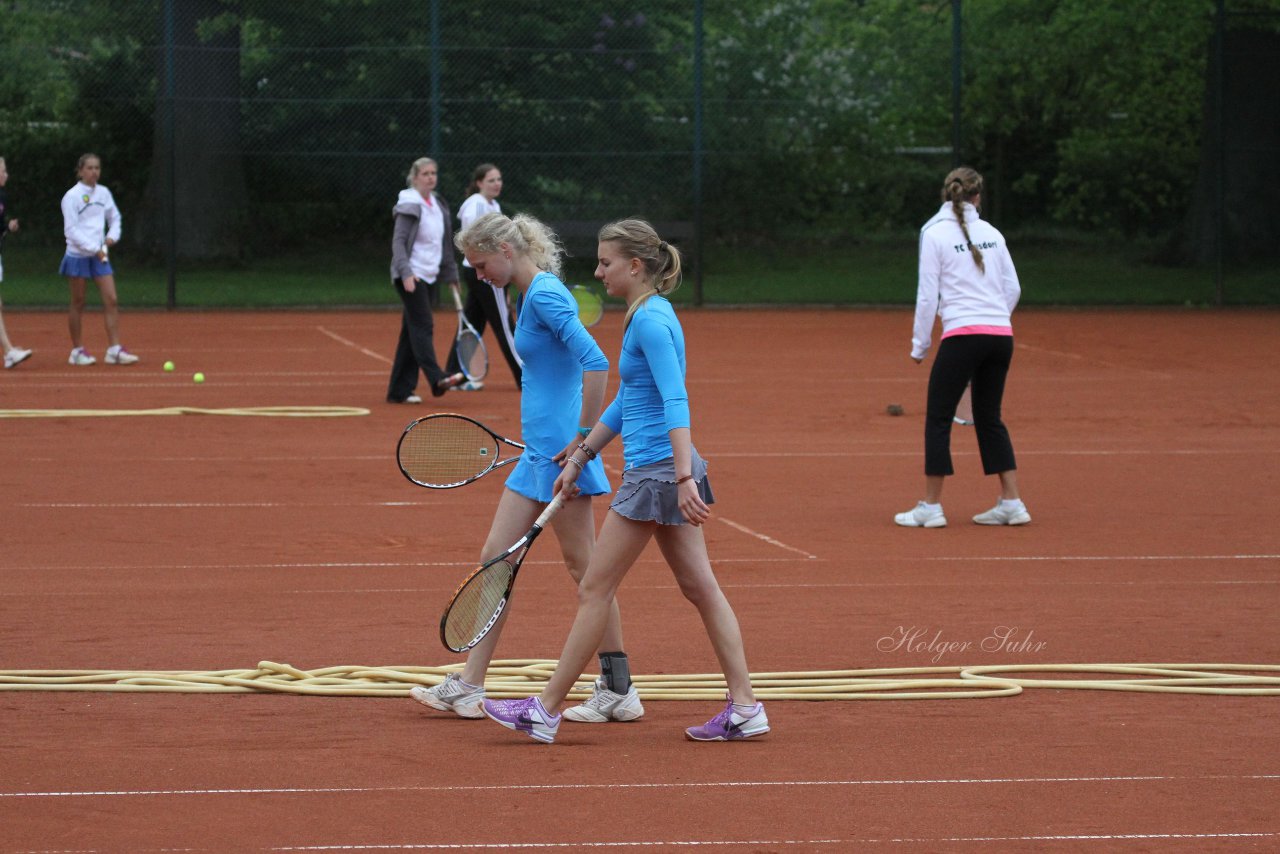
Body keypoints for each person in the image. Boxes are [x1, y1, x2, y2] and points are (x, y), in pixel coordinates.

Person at [481, 219, 768, 744]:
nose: (597, 272)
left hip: (657, 475)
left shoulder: (651, 322)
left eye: (605, 262)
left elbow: (676, 399)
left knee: (595, 586)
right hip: (662, 471)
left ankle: (544, 710)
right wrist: (583, 449)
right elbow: (628, 399)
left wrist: (682, 476)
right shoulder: (646, 317)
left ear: (634, 266)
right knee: (699, 587)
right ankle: (746, 706)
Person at [410, 211, 642, 725]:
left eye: (480, 263)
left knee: (588, 572)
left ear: (505, 250)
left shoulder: (545, 295)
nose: (477, 274)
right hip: (540, 456)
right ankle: (470, 684)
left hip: (564, 459)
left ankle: (618, 687)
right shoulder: (523, 294)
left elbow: (597, 363)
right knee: (496, 560)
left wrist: (581, 443)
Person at [895, 166, 1030, 529]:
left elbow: (927, 295)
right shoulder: (993, 233)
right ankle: (1012, 502)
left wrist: (919, 345)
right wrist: (995, 318)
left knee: (939, 418)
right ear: (977, 197)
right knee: (990, 417)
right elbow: (1013, 288)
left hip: (962, 336)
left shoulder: (933, 232)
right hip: (1001, 337)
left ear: (947, 194)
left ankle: (931, 506)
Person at [386, 157, 465, 403]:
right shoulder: (409, 204)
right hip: (412, 275)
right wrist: (405, 272)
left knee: (410, 333)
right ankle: (436, 378)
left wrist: (451, 275)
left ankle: (399, 390)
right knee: (423, 325)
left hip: (429, 275)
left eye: (434, 173)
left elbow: (443, 245)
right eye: (426, 173)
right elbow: (398, 242)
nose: (431, 177)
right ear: (415, 177)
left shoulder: (437, 205)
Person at [443, 163, 523, 390]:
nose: (497, 184)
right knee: (505, 326)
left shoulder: (492, 205)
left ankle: (455, 374)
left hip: (484, 271)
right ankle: (524, 375)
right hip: (484, 271)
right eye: (491, 180)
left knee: (472, 323)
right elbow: (473, 241)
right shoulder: (475, 206)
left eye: (499, 179)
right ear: (479, 183)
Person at [59, 153, 138, 366]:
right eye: (90, 168)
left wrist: (112, 236)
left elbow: (115, 218)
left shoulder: (103, 193)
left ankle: (114, 350)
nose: (94, 172)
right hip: (78, 256)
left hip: (99, 257)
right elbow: (71, 230)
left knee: (111, 299)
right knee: (78, 302)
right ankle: (77, 351)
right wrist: (95, 248)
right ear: (80, 171)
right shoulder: (72, 196)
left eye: (97, 168)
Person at [0, 156, 33, 369]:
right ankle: (9, 352)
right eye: (2, 170)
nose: (6, 174)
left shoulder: (2, 195)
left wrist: (7, 227)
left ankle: (9, 352)